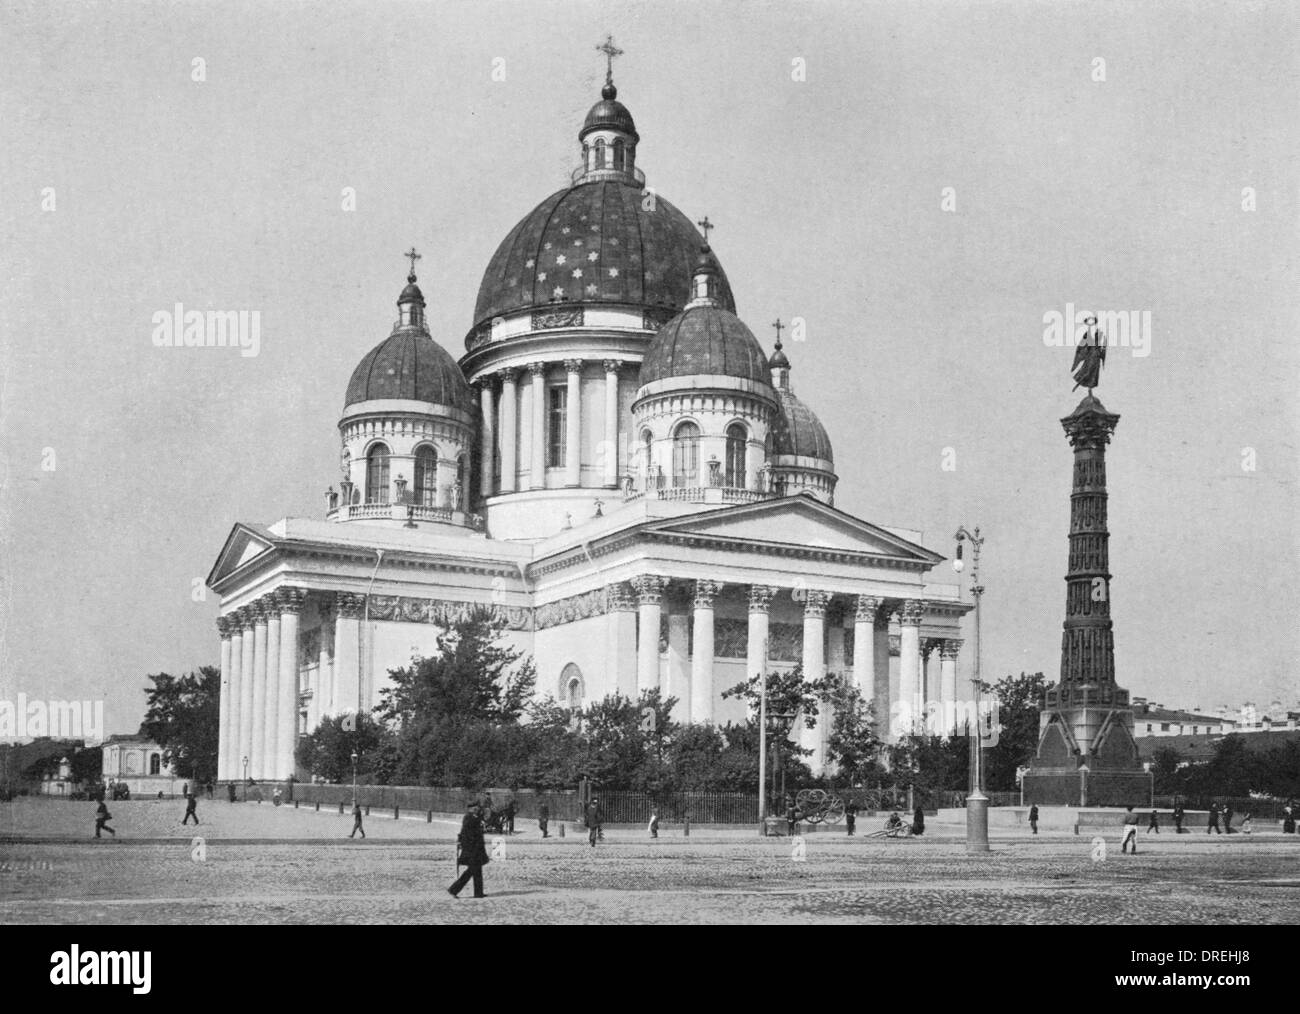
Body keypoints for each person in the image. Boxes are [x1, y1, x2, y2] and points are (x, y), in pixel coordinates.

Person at [448, 802, 489, 899]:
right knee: (471, 870)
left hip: (475, 849)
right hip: (473, 849)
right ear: (471, 808)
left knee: (477, 870)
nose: (477, 809)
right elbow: (469, 834)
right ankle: (454, 889)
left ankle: (478, 893)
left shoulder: (472, 817)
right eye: (476, 808)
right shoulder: (470, 818)